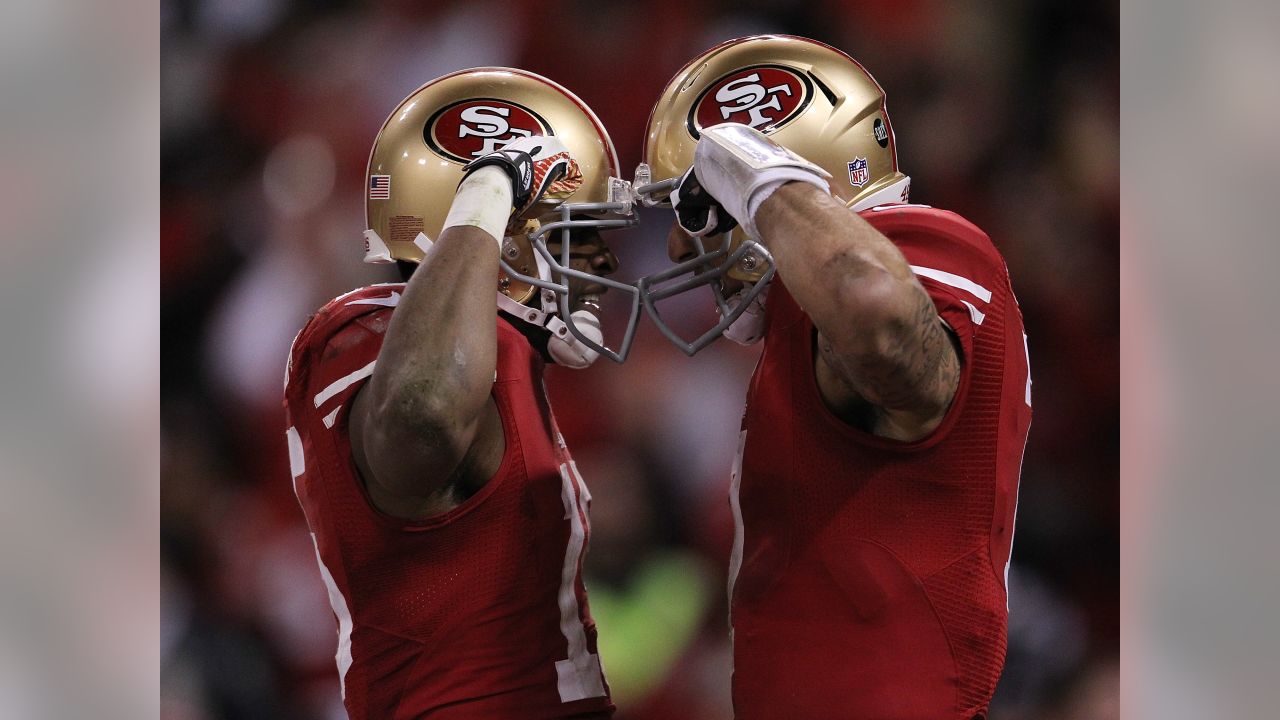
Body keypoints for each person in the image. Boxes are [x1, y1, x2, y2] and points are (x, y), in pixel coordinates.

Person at [636, 36, 1033, 720]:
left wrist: (760, 182)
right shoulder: (804, 321)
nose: (679, 244)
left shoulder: (919, 240)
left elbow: (877, 315)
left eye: (699, 205)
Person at [284, 67, 640, 719]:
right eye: (570, 231)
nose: (600, 262)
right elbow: (420, 415)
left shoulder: (499, 354)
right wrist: (490, 188)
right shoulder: (365, 333)